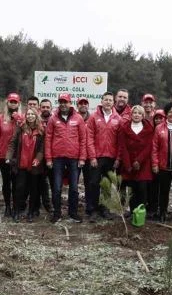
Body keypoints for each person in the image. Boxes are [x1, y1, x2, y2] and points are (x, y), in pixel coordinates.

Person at [45, 93, 87, 223]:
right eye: (61, 102)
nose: (63, 104)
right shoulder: (53, 119)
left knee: (74, 187)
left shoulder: (78, 118)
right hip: (57, 158)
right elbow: (48, 139)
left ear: (70, 103)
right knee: (57, 187)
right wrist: (48, 158)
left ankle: (73, 213)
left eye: (66, 102)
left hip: (74, 158)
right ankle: (57, 213)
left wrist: (82, 157)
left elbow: (83, 139)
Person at [85, 92, 122, 221]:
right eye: (105, 99)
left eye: (110, 100)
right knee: (94, 183)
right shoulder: (94, 117)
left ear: (113, 103)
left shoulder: (118, 119)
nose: (108, 102)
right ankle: (92, 210)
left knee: (107, 184)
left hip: (111, 157)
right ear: (101, 101)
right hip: (97, 157)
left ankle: (105, 209)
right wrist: (92, 157)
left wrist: (118, 158)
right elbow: (89, 138)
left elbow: (120, 141)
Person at [6, 108, 45, 222]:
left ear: (36, 116)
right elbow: (12, 143)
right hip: (21, 164)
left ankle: (31, 212)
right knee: (19, 188)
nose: (30, 116)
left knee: (34, 190)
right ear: (25, 116)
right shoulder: (20, 128)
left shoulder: (41, 130)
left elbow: (42, 148)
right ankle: (17, 211)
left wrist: (38, 159)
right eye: (28, 114)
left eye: (33, 114)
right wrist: (8, 157)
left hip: (34, 166)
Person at [118, 105, 154, 217]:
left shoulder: (149, 128)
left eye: (139, 113)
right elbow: (122, 147)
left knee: (142, 188)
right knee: (132, 188)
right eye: (134, 113)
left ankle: (141, 212)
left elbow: (149, 146)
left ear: (143, 115)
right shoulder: (124, 128)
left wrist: (139, 161)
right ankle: (133, 211)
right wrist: (128, 163)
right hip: (128, 163)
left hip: (143, 164)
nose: (136, 115)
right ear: (131, 114)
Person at [0, 93, 22, 217]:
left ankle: (16, 207)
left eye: (15, 102)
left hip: (18, 157)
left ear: (18, 104)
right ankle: (7, 206)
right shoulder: (0, 118)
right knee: (6, 183)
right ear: (7, 103)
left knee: (17, 183)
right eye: (11, 102)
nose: (13, 104)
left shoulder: (22, 118)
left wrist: (18, 118)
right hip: (3, 156)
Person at [147, 109, 165, 219]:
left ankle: (160, 208)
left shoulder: (167, 130)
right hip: (151, 163)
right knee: (152, 186)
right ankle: (152, 207)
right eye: (156, 118)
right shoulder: (150, 130)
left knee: (162, 188)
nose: (158, 120)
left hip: (163, 163)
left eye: (160, 118)